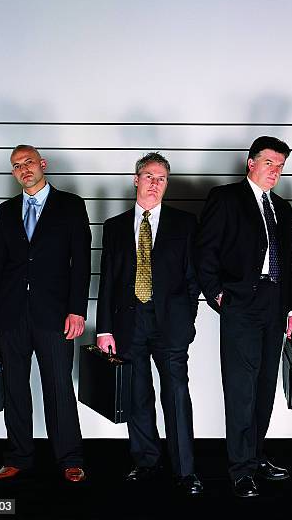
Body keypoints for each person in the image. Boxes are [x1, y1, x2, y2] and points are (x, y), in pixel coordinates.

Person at [195, 136, 292, 498]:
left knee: (265, 385)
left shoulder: (282, 208)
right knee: (241, 387)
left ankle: (255, 456)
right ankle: (240, 469)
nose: (275, 170)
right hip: (240, 302)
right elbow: (204, 250)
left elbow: (290, 262)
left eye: (280, 165)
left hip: (275, 302)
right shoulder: (226, 198)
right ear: (250, 163)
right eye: (269, 162)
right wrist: (217, 294)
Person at [0, 144, 91, 482]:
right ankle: (18, 457)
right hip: (10, 312)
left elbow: (81, 263)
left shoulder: (71, 205)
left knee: (58, 385)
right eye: (16, 165)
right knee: (15, 386)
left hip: (55, 314)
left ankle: (70, 459)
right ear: (13, 173)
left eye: (28, 162)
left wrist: (76, 310)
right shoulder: (5, 210)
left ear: (42, 164)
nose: (23, 169)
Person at [95, 152, 203, 495]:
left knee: (176, 395)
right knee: (138, 396)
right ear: (136, 179)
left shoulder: (184, 224)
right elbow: (107, 281)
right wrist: (104, 328)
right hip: (129, 323)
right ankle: (145, 462)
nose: (155, 183)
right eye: (149, 176)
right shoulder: (114, 226)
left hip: (171, 324)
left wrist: (188, 319)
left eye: (161, 179)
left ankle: (186, 471)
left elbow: (192, 278)